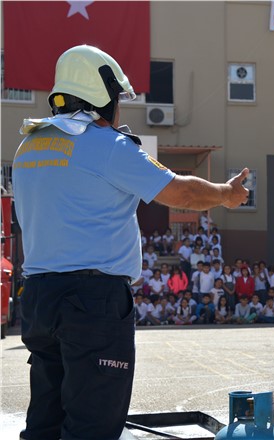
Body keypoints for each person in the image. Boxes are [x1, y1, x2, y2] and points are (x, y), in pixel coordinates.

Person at [12, 45, 249, 440]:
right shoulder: (106, 146)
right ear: (103, 95)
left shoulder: (28, 147)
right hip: (92, 302)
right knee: (92, 426)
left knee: (45, 422)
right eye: (118, 97)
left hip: (39, 298)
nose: (119, 106)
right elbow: (181, 193)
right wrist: (225, 193)